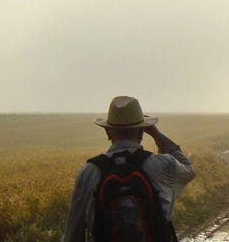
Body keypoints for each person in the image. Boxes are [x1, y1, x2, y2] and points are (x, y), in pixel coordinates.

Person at [63, 96, 194, 242]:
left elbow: (72, 235)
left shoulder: (88, 173)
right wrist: (156, 134)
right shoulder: (163, 165)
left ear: (107, 132)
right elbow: (189, 170)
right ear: (142, 132)